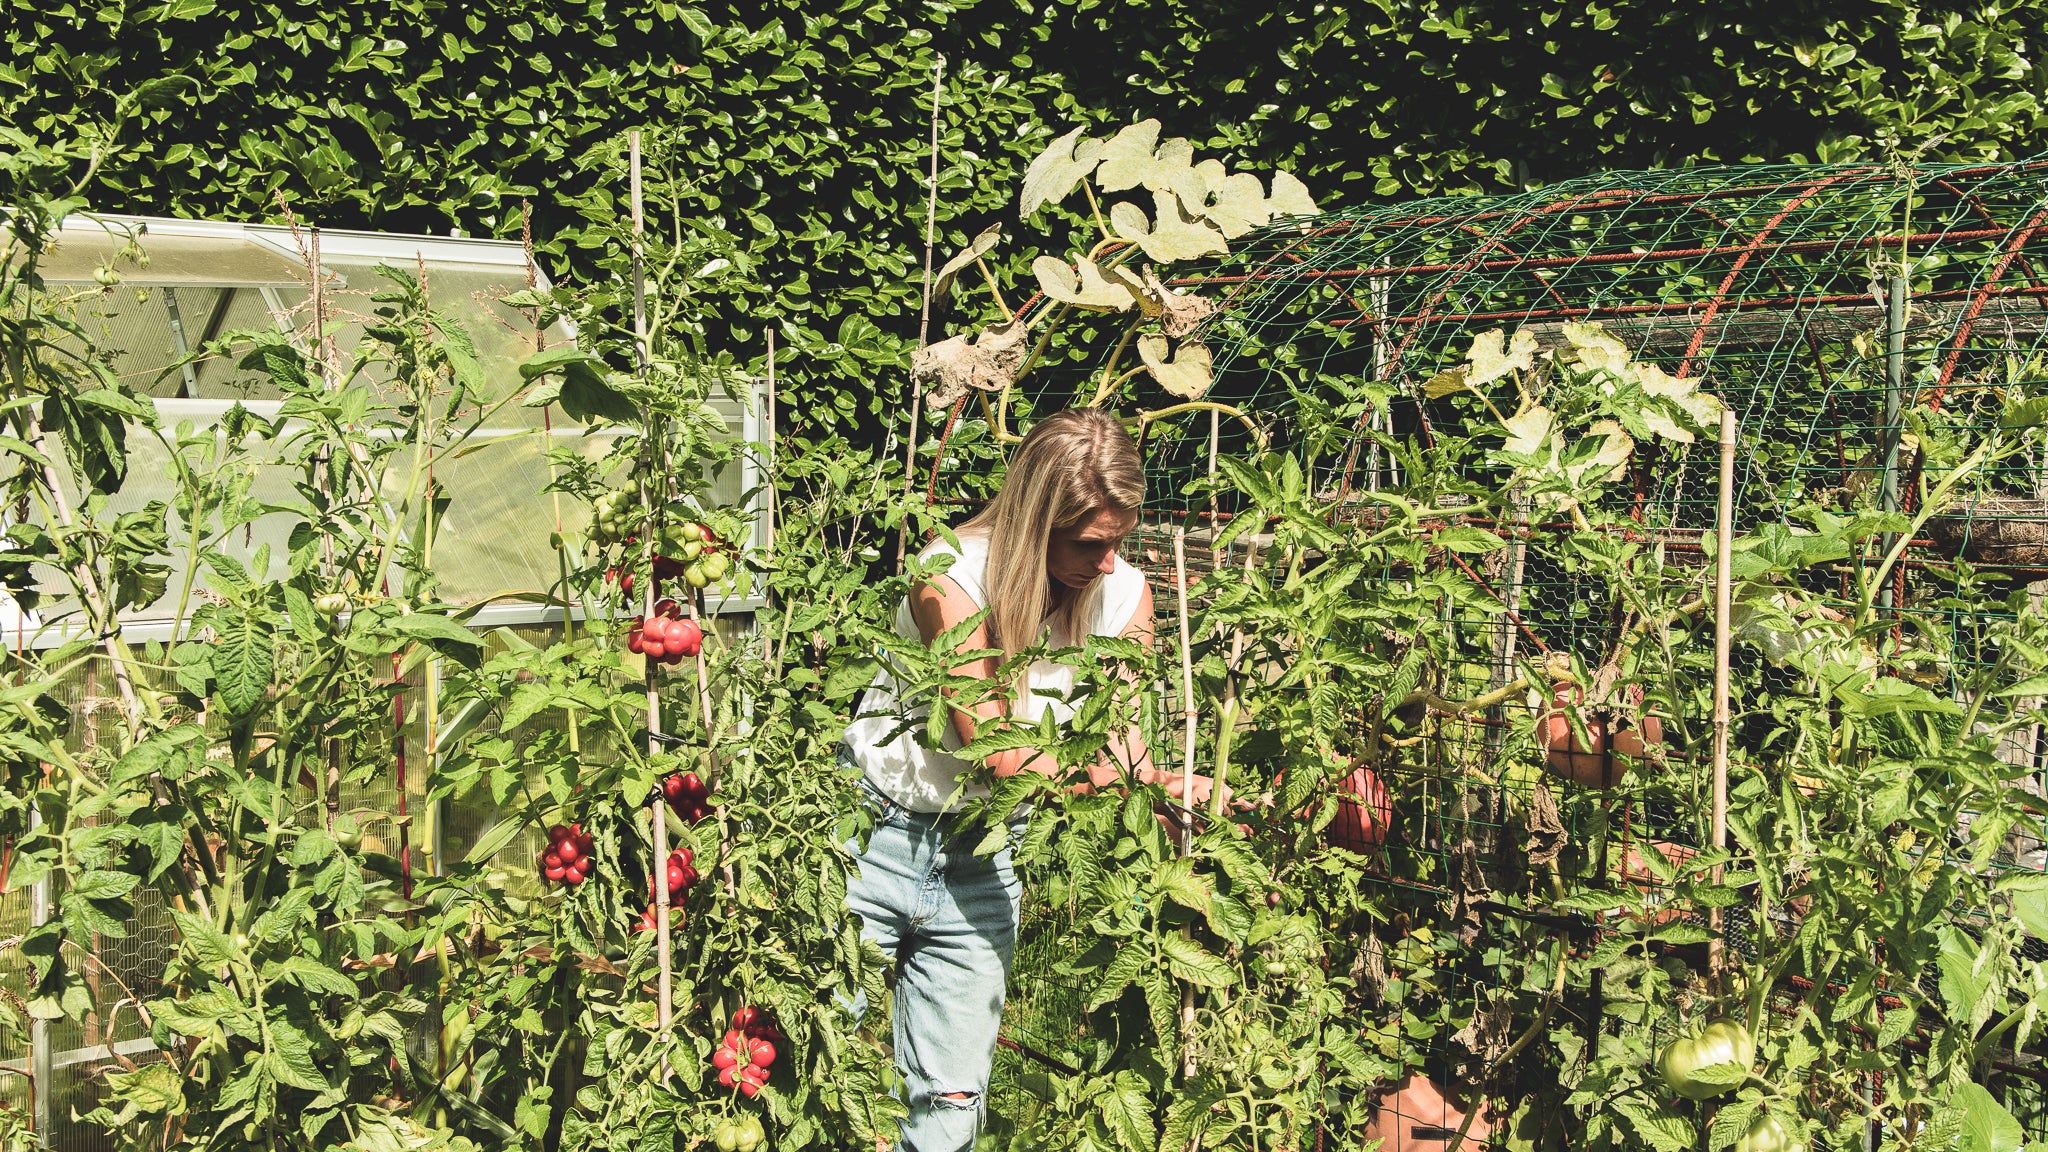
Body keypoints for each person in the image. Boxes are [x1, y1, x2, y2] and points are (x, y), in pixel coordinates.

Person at [839, 407, 1217, 1152]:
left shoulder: (1124, 595)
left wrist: (1172, 797)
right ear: (1034, 523)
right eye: (1089, 544)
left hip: (983, 858)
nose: (1108, 562)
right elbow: (996, 752)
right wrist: (1136, 782)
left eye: (1120, 540)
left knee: (949, 1108)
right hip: (871, 838)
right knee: (815, 1068)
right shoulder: (947, 574)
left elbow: (1126, 745)